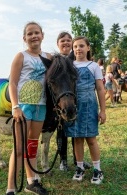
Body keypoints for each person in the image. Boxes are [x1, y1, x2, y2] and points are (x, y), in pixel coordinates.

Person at [2, 21, 51, 195]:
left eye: (36, 32)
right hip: (24, 106)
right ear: (24, 38)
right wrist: (15, 106)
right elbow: (13, 82)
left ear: (42, 35)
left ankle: (32, 182)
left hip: (41, 106)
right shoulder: (21, 56)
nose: (33, 36)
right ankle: (10, 190)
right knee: (19, 147)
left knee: (32, 144)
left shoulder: (48, 57)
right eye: (30, 34)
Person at [41, 31, 91, 172]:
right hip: (59, 102)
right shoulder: (53, 60)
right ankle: (63, 160)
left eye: (69, 40)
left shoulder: (75, 59)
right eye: (62, 40)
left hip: (73, 99)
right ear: (58, 44)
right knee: (61, 132)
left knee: (76, 132)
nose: (66, 42)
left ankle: (77, 160)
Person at [65, 36, 106, 184]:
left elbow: (100, 89)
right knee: (77, 138)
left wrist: (103, 110)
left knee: (91, 138)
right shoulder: (69, 66)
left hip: (89, 104)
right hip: (73, 105)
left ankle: (97, 169)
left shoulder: (93, 66)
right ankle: (80, 167)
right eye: (75, 46)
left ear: (88, 48)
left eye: (81, 46)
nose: (78, 49)